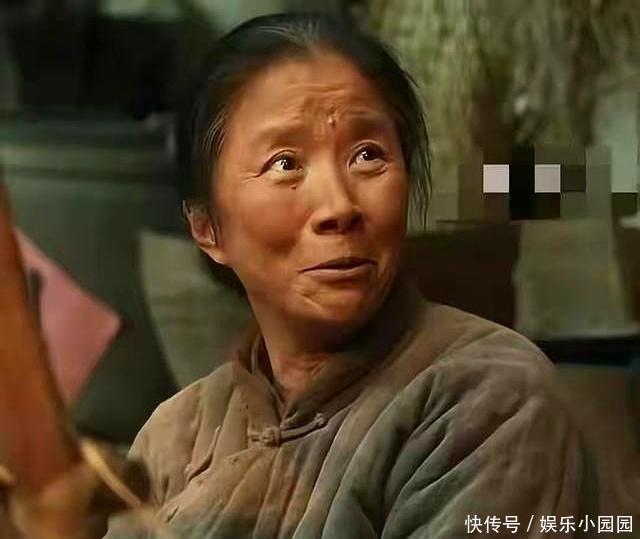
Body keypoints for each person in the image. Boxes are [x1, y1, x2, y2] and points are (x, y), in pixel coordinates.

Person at [3, 12, 597, 539]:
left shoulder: (489, 400)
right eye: (285, 163)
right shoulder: (174, 435)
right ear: (207, 227)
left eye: (368, 155)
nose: (339, 205)